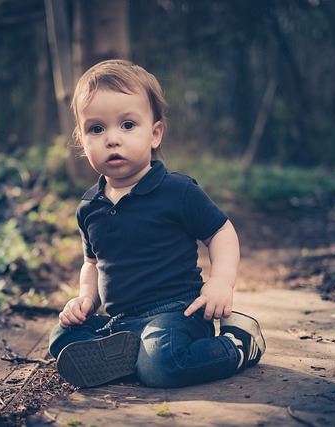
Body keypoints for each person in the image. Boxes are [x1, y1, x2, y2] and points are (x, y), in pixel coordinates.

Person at [48, 59, 266, 388]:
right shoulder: (89, 207)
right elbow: (91, 264)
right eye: (96, 129)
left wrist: (221, 282)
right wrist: (85, 300)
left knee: (164, 365)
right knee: (61, 336)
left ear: (155, 133)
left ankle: (236, 343)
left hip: (177, 313)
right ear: (82, 139)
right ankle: (132, 357)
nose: (112, 139)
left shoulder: (177, 191)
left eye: (127, 125)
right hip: (121, 321)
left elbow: (222, 232)